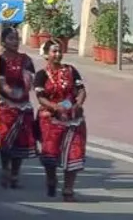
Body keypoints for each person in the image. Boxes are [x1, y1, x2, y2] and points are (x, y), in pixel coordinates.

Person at [32, 39, 86, 201]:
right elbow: (40, 97)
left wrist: (77, 104)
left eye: (59, 51)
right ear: (46, 55)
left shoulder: (71, 70)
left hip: (73, 118)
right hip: (51, 118)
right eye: (54, 51)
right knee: (50, 154)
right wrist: (55, 107)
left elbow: (81, 90)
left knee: (75, 152)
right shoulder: (42, 74)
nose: (58, 54)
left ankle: (68, 189)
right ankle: (51, 178)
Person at [0, 27, 37, 188]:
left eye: (17, 38)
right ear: (3, 41)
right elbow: (1, 82)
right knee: (4, 138)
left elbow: (29, 78)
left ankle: (15, 173)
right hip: (5, 105)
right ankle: (5, 168)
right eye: (11, 38)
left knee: (21, 141)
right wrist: (9, 93)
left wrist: (24, 88)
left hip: (23, 106)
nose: (15, 42)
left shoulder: (26, 60)